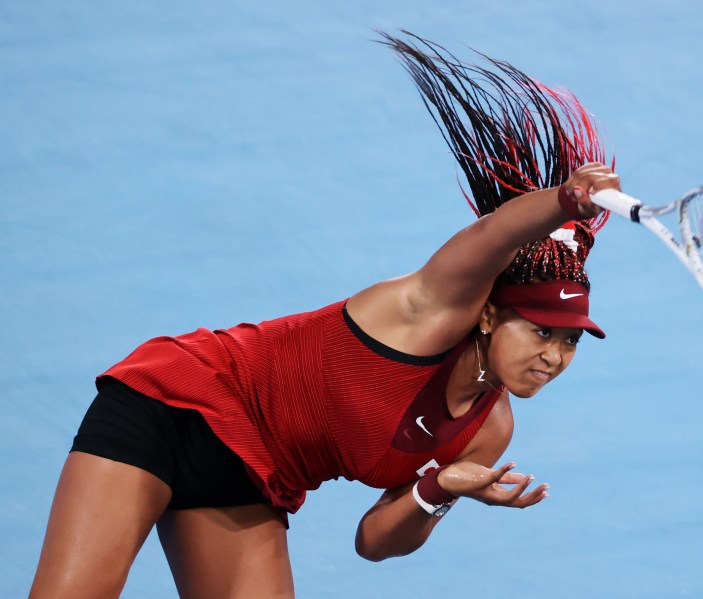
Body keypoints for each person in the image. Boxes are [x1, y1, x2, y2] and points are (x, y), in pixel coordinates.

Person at [29, 32, 621, 598]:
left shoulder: (489, 431)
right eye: (542, 331)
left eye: (571, 342)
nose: (554, 356)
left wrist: (439, 488)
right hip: (172, 404)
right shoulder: (430, 311)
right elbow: (493, 236)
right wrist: (565, 200)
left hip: (253, 478)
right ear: (489, 315)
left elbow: (373, 541)